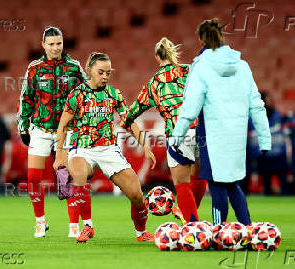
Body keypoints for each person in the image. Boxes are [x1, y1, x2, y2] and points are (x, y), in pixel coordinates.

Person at [171, 18, 271, 226]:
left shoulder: (200, 66)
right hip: (236, 136)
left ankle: (218, 231)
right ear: (222, 37)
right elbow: (257, 105)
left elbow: (190, 105)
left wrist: (177, 136)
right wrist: (264, 139)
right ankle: (248, 230)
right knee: (233, 184)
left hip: (211, 133)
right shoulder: (242, 66)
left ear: (200, 40)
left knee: (216, 186)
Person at [53, 52, 157, 243]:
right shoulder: (77, 94)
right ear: (89, 70)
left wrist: (145, 146)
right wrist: (60, 154)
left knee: (136, 194)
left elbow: (129, 121)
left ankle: (141, 233)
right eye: (101, 72)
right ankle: (88, 226)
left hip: (109, 149)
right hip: (81, 148)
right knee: (78, 174)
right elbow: (63, 125)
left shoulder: (114, 94)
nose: (105, 77)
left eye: (108, 73)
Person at [123, 37, 207, 224]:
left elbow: (130, 114)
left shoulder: (153, 84)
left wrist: (125, 123)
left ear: (157, 57)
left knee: (182, 184)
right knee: (200, 175)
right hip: (201, 131)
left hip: (178, 134)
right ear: (174, 54)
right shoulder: (189, 71)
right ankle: (188, 218)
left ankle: (192, 226)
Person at [16, 26, 86, 238]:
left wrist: (83, 123)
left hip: (68, 130)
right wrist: (22, 126)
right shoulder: (34, 68)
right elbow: (26, 98)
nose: (56, 47)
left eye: (59, 43)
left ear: (63, 44)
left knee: (68, 177)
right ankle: (40, 222)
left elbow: (86, 96)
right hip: (41, 129)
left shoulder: (75, 67)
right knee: (33, 178)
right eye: (51, 44)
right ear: (43, 45)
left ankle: (74, 225)